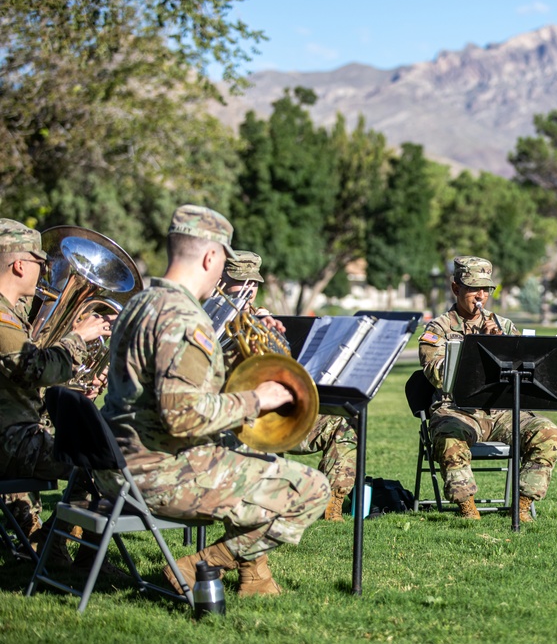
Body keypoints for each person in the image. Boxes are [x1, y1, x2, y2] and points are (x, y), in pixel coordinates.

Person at [100, 205, 330, 598]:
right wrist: (257, 398)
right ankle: (200, 566)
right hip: (158, 474)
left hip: (117, 463)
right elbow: (183, 417)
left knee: (247, 455)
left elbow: (174, 383)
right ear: (211, 257)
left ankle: (256, 581)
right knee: (310, 488)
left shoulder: (141, 303)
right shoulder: (184, 318)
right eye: (223, 260)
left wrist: (242, 360)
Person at [215, 250, 358, 523]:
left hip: (275, 411)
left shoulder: (261, 318)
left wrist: (275, 336)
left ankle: (332, 503)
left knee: (344, 422)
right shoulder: (210, 319)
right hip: (235, 414)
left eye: (254, 284)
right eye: (240, 282)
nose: (248, 290)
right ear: (220, 282)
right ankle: (264, 502)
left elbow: (289, 366)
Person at [417, 256, 557, 521]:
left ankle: (522, 504)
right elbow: (436, 374)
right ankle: (467, 507)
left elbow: (530, 372)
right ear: (456, 288)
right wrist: (476, 344)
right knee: (449, 436)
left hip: (500, 411)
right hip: (457, 410)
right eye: (473, 288)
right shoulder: (437, 328)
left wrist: (503, 344)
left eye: (486, 289)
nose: (480, 295)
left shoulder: (505, 326)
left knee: (547, 432)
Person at [0, 219, 111, 561]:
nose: (46, 271)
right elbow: (35, 368)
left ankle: (54, 543)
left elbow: (20, 386)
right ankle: (64, 546)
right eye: (41, 263)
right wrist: (79, 339)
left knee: (96, 454)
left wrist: (75, 390)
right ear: (20, 265)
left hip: (15, 432)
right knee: (102, 461)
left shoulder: (12, 316)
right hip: (11, 440)